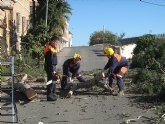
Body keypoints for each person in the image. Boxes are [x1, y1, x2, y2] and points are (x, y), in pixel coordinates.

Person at [44, 35, 59, 101]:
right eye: (56, 42)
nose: (57, 43)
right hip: (50, 67)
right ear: (53, 41)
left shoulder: (52, 47)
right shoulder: (49, 48)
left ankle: (53, 94)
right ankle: (49, 96)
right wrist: (53, 70)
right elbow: (50, 60)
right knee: (50, 81)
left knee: (53, 81)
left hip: (52, 66)